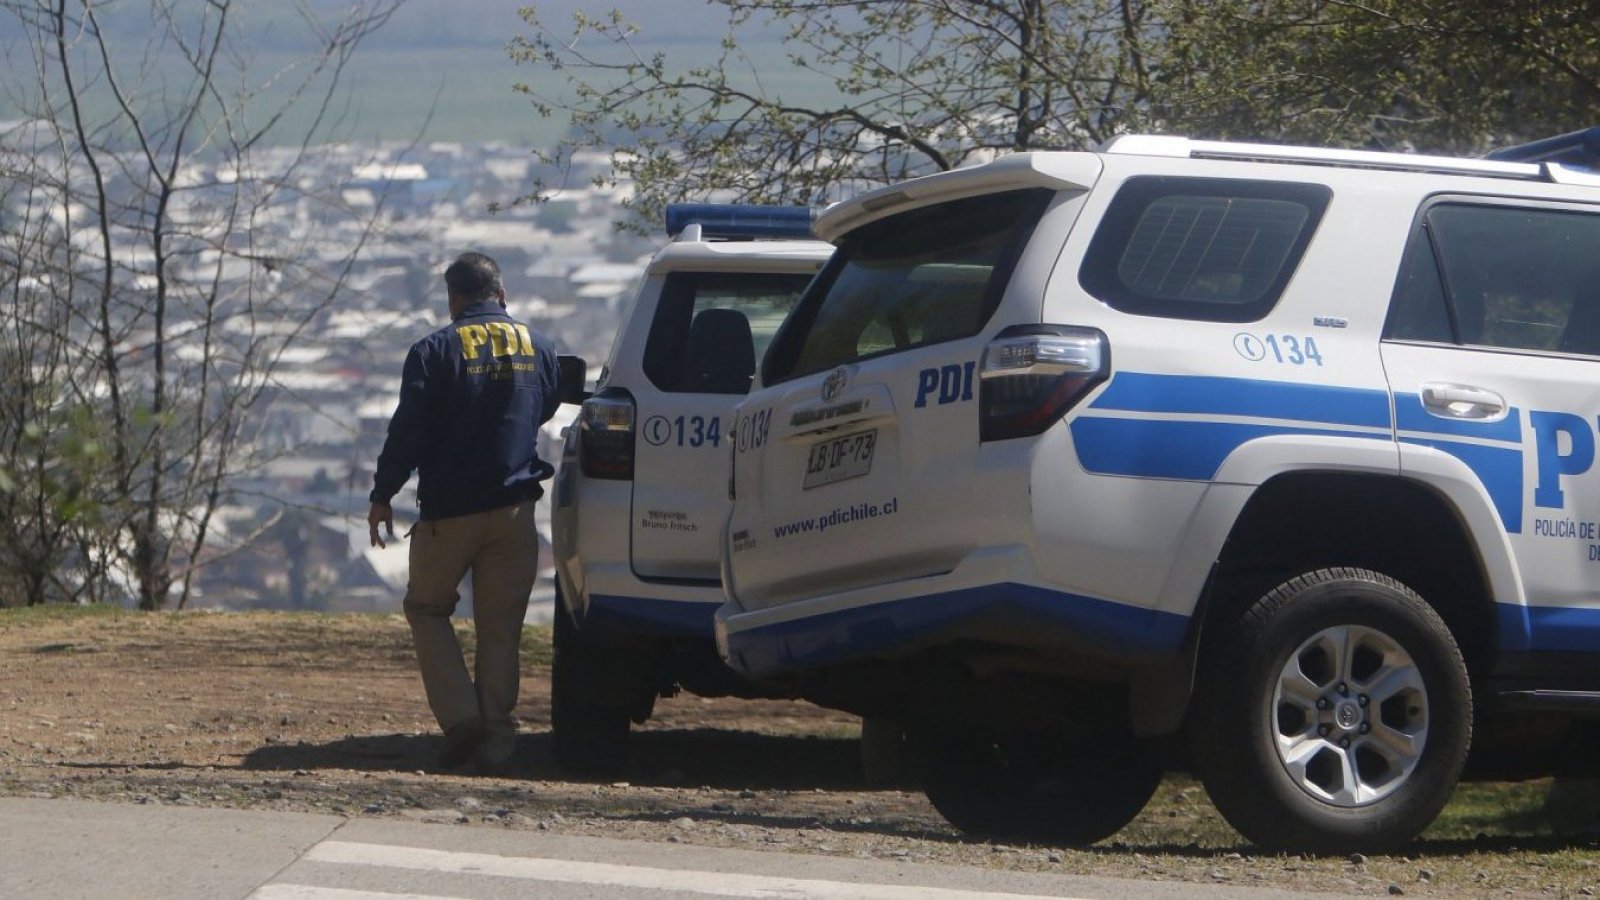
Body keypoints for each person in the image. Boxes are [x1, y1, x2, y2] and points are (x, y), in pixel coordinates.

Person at [367, 251, 561, 772]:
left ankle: (461, 720)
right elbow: (544, 407)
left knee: (427, 609)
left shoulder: (434, 351)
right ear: (501, 294)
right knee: (501, 626)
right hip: (515, 510)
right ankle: (497, 740)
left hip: (450, 512)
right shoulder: (539, 346)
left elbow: (409, 430)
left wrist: (383, 493)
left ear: (454, 299)